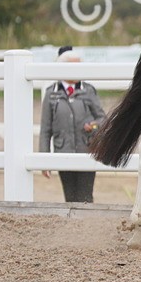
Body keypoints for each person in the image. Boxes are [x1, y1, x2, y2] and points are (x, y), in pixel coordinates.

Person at [39, 46, 106, 202]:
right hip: (63, 151)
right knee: (69, 196)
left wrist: (93, 125)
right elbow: (45, 129)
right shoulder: (51, 93)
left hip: (86, 150)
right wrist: (43, 159)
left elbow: (103, 119)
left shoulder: (89, 90)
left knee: (85, 195)